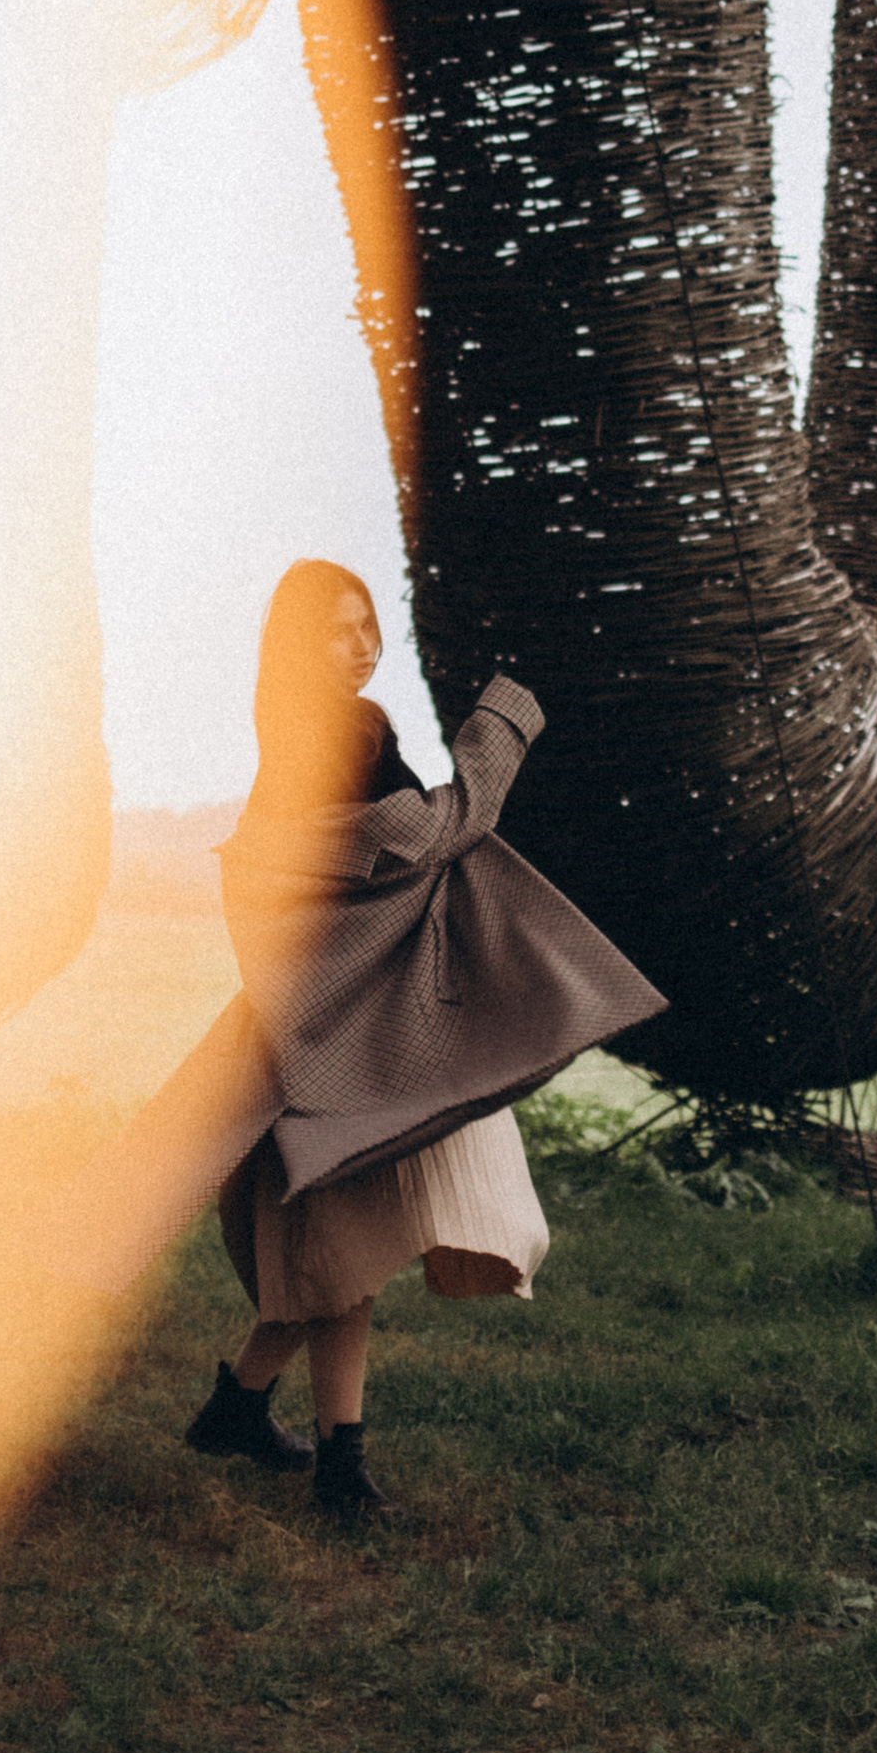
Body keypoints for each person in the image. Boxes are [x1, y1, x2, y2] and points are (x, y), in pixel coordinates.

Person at [183, 560, 667, 1524]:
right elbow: (435, 833)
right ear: (295, 645)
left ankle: (240, 1409)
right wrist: (496, 731)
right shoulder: (345, 733)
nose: (361, 647)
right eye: (338, 631)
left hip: (324, 1029)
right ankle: (339, 1470)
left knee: (333, 1246)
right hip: (348, 1037)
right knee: (344, 1253)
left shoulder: (290, 735)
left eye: (369, 628)